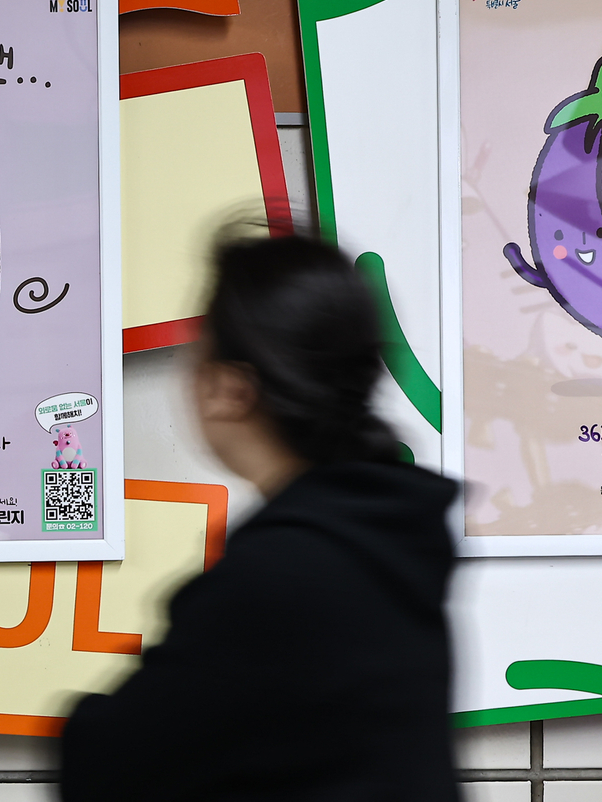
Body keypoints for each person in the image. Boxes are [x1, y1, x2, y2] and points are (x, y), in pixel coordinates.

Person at [59, 231, 461, 800]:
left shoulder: (277, 576)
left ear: (229, 388)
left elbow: (108, 769)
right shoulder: (389, 539)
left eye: (195, 350)